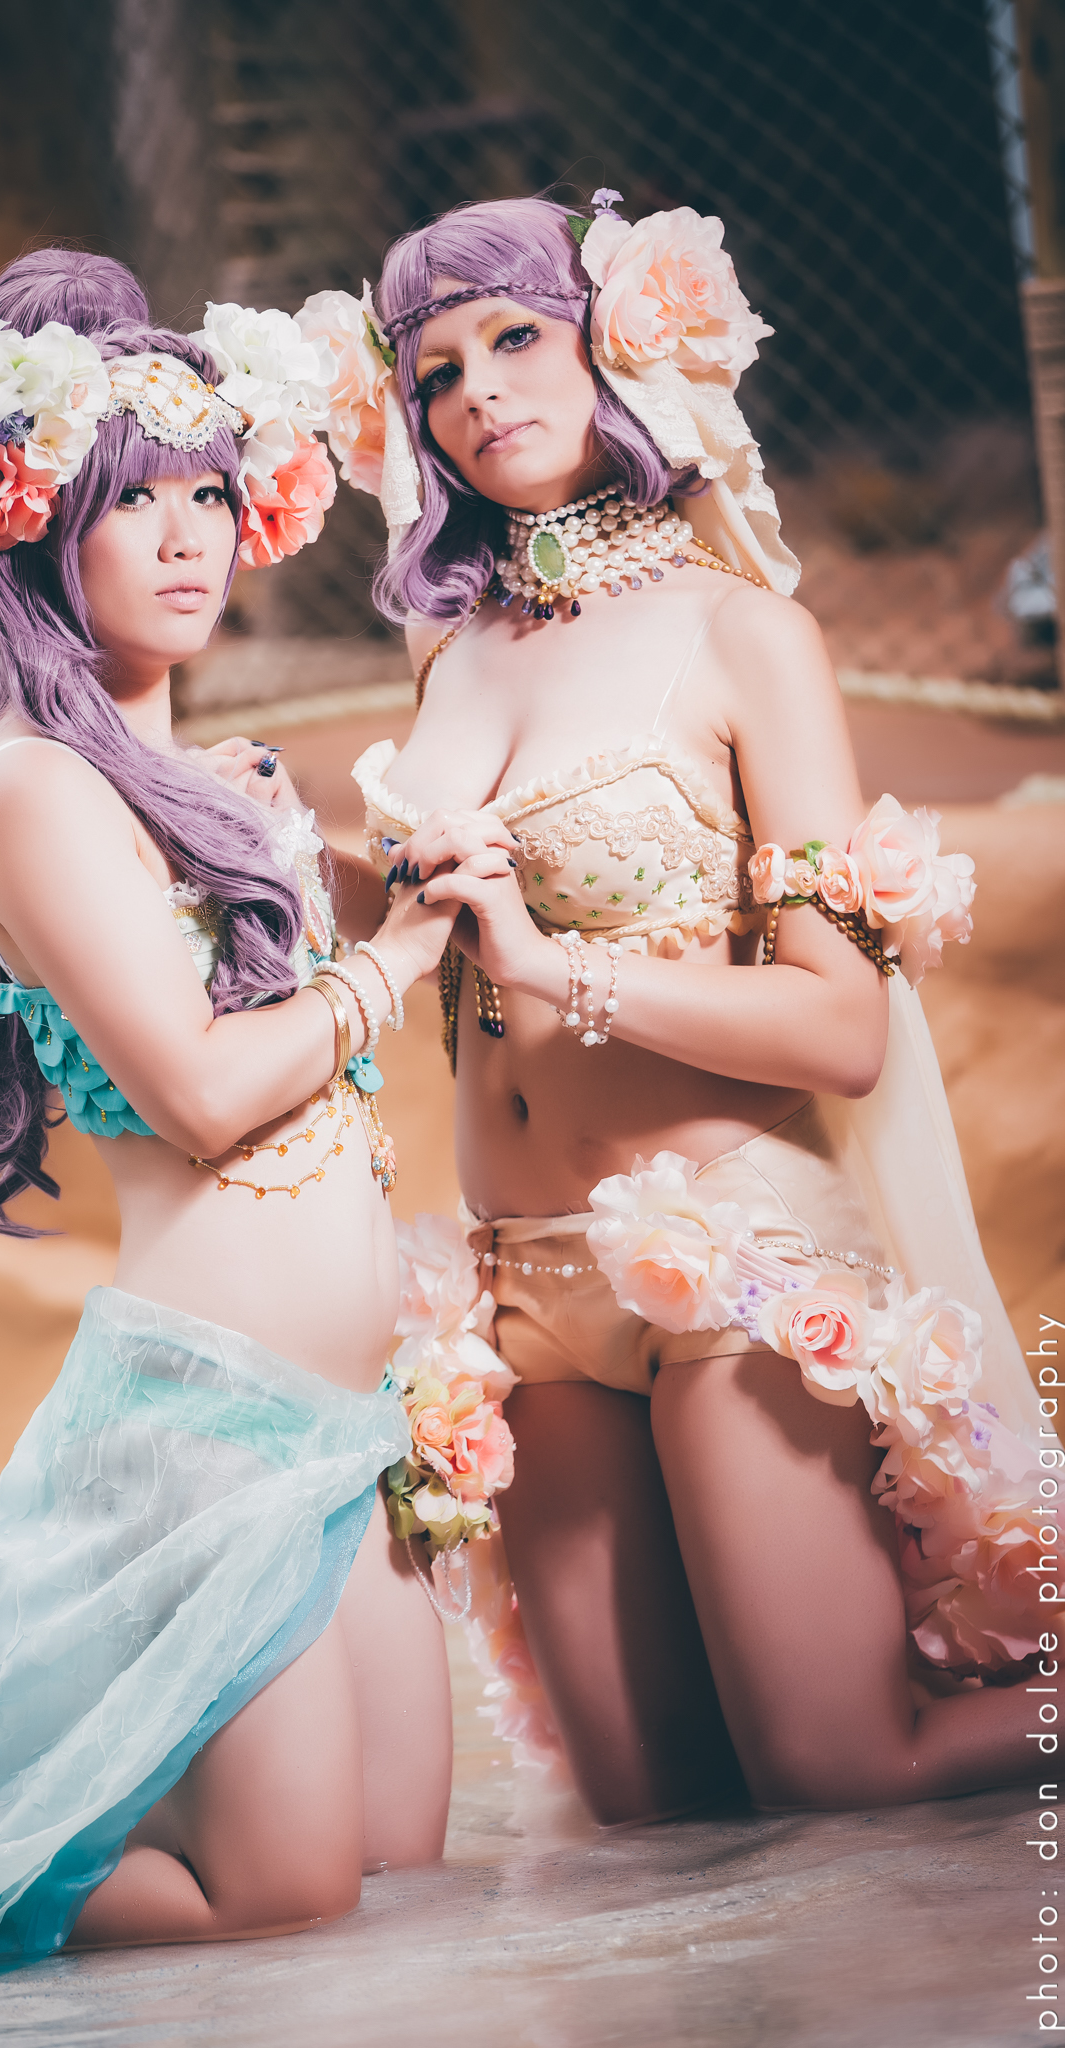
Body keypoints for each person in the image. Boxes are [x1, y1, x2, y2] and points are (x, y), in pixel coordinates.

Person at [0, 249, 454, 2011]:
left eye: (210, 496)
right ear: (38, 526)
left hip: (349, 1418)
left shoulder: (232, 788)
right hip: (211, 1418)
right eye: (133, 502)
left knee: (398, 1867)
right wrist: (396, 960)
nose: (188, 539)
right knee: (285, 1897)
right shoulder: (31, 790)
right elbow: (200, 1093)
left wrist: (397, 872)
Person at [300, 194, 1054, 1822]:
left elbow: (839, 1028)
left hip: (726, 1253)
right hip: (520, 1285)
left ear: (615, 349)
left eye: (515, 337)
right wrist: (294, 864)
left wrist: (550, 965)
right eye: (434, 374)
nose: (477, 391)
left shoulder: (742, 634)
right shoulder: (448, 657)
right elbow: (443, 950)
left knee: (835, 1767)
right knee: (650, 1816)